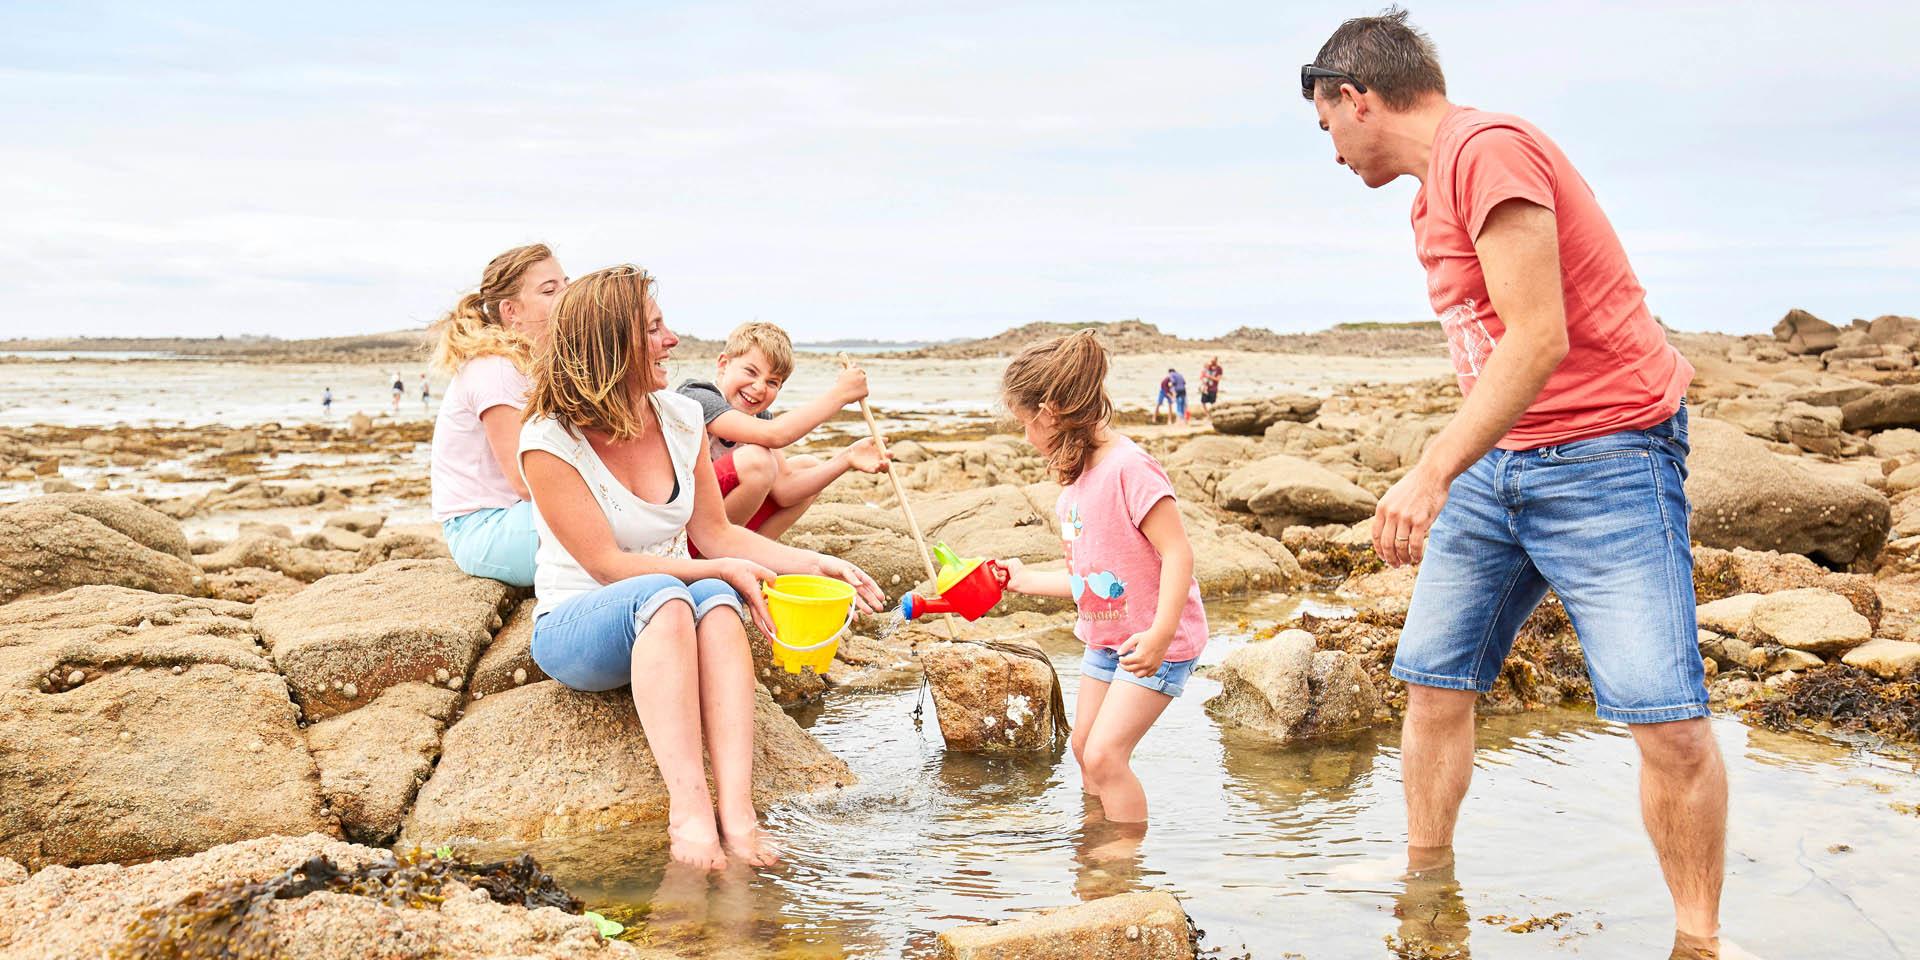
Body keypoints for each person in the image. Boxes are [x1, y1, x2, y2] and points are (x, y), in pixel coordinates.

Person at [1303, 11, 1729, 958]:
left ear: (1356, 97)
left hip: (1608, 456)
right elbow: (1495, 354)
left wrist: (1428, 469)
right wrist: (1463, 459)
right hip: (1503, 467)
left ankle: (1697, 941)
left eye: (1325, 124)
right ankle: (1425, 882)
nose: (1329, 151)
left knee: (1668, 722)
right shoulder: (1429, 196)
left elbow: (1541, 339)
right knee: (1433, 683)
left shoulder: (1487, 151)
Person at [518, 264, 882, 871]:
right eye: (654, 329)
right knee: (677, 591)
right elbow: (607, 566)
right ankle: (689, 813)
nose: (673, 341)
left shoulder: (680, 419)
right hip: (579, 627)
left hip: (672, 610)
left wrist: (816, 563)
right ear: (611, 344)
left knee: (712, 600)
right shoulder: (548, 441)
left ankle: (738, 815)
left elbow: (714, 534)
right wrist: (717, 571)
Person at [996, 330, 1207, 828]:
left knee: (1106, 756)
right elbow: (1088, 582)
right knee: (1083, 746)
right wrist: (1024, 580)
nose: (1026, 437)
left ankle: (1123, 862)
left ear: (1050, 412)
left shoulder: (1130, 468)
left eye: (1026, 424)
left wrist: (1158, 634)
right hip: (1106, 638)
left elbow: (1179, 554)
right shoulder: (1073, 486)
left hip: (1157, 640)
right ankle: (1098, 836)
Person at [427, 243, 567, 587]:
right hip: (487, 529)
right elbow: (524, 480)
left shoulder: (531, 363)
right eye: (550, 290)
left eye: (566, 283)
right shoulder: (497, 368)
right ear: (511, 311)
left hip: (517, 518)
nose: (567, 295)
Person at [675, 322, 886, 543]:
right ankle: (714, 559)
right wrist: (840, 395)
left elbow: (786, 490)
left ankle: (754, 556)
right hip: (684, 530)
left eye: (772, 382)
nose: (758, 387)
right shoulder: (698, 397)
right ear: (723, 364)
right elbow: (775, 434)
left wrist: (848, 457)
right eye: (750, 371)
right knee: (758, 461)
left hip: (719, 523)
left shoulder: (761, 417)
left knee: (808, 466)